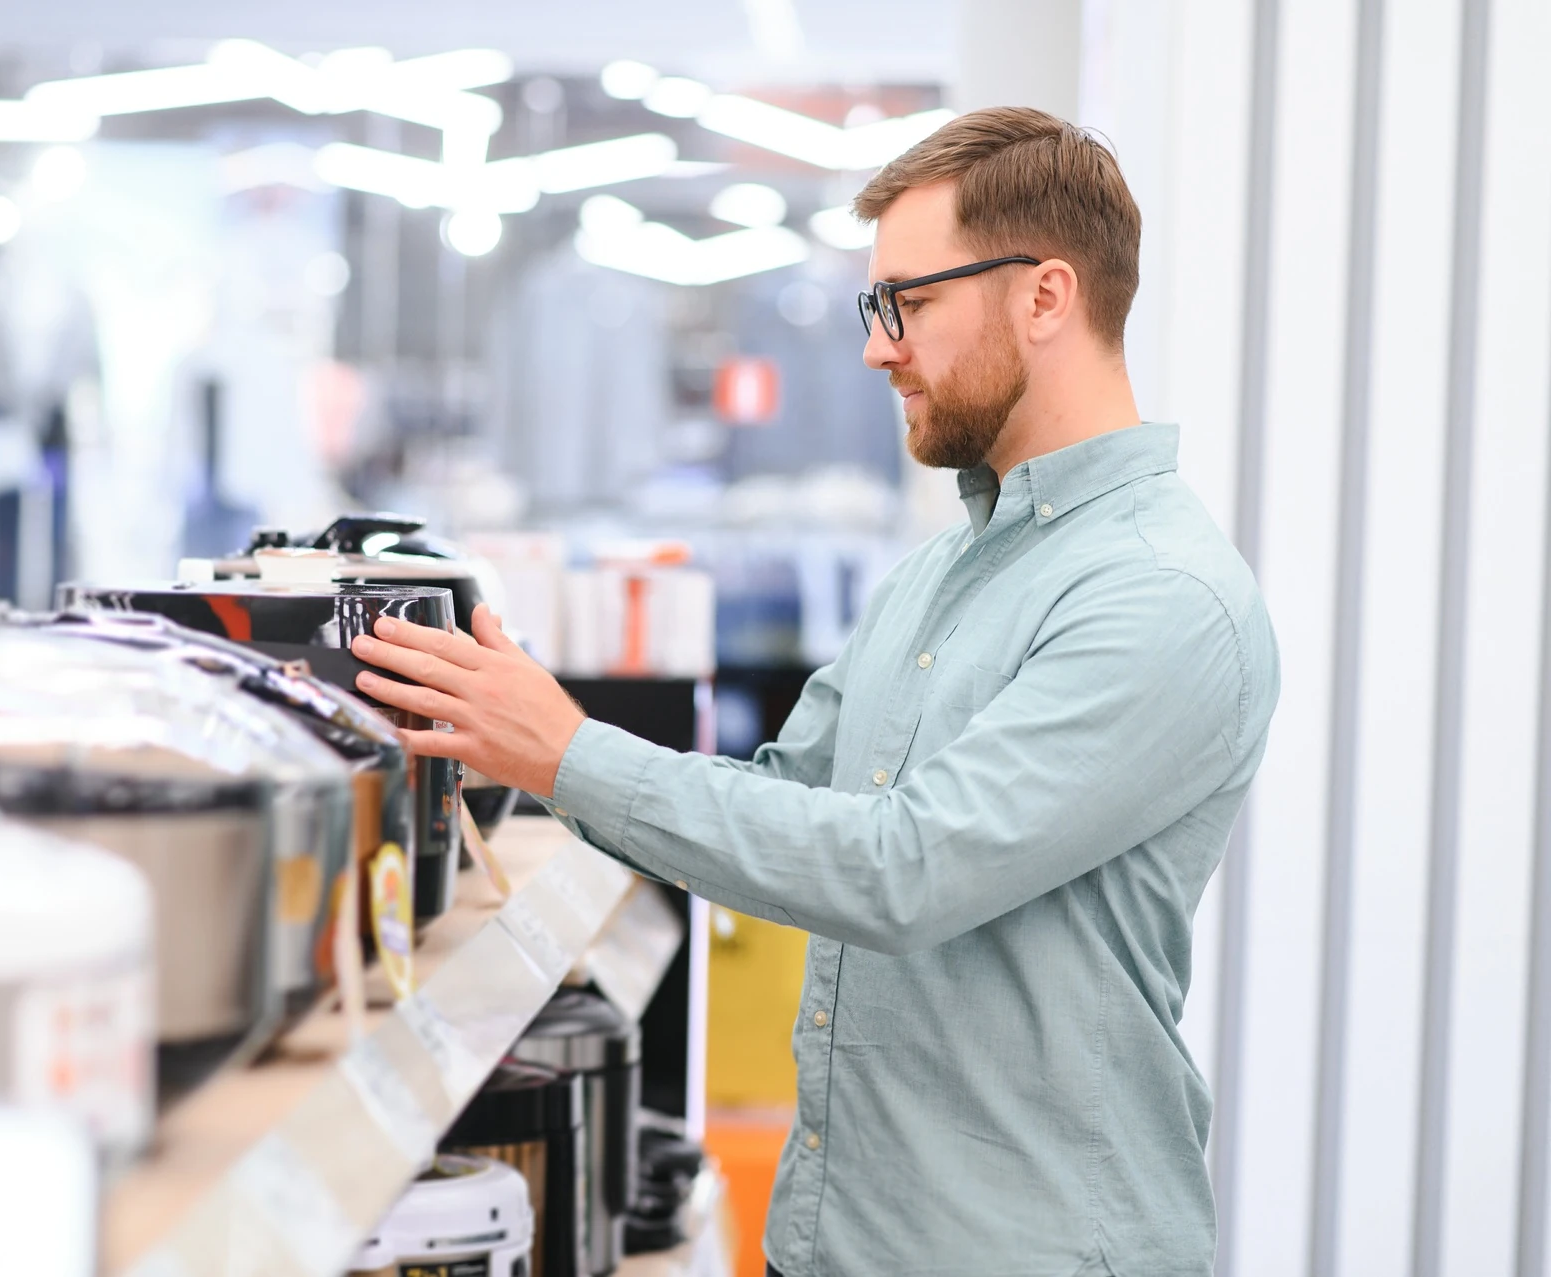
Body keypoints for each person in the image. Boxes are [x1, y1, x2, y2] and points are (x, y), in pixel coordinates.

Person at [350, 107, 1281, 1277]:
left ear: (1046, 297)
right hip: (838, 1235)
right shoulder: (942, 571)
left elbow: (903, 868)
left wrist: (568, 752)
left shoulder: (1160, 597)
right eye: (873, 306)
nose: (876, 349)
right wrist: (508, 745)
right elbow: (783, 798)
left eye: (910, 302)